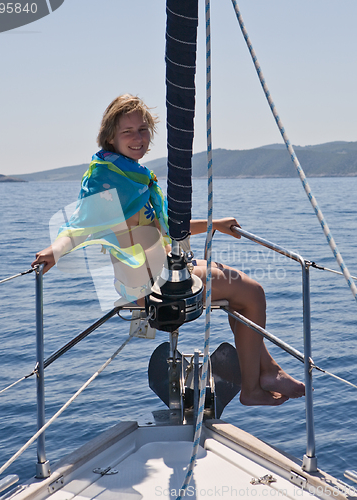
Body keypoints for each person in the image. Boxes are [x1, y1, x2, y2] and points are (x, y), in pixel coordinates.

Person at [32, 94, 305, 406]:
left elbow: (163, 227)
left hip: (162, 269)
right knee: (252, 293)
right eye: (128, 131)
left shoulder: (131, 174)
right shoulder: (106, 180)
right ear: (110, 137)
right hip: (150, 285)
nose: (138, 137)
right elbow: (81, 226)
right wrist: (55, 251)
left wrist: (214, 224)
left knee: (239, 286)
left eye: (143, 129)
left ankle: (267, 371)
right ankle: (255, 386)